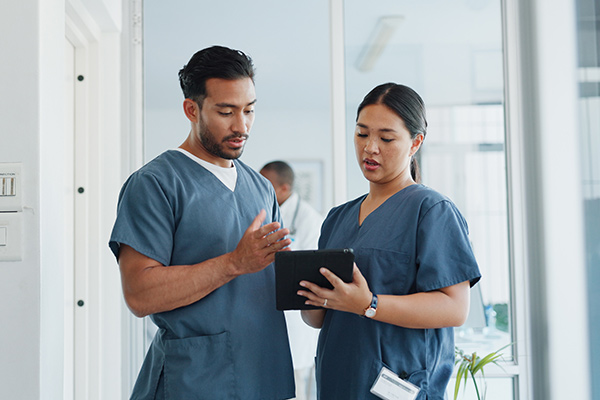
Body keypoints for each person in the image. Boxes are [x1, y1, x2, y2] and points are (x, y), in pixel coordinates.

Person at [109, 45, 295, 400]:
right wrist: (233, 263)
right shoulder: (155, 184)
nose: (241, 126)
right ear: (191, 109)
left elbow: (269, 279)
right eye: (226, 112)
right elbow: (139, 294)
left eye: (249, 111)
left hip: (264, 374)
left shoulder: (260, 187)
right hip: (196, 381)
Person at [299, 83, 481, 400]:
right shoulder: (337, 218)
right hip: (338, 382)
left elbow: (455, 308)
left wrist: (369, 305)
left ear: (415, 143)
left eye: (386, 138)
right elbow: (317, 318)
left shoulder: (432, 211)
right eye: (361, 134)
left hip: (397, 386)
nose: (370, 148)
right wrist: (307, 293)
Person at [260, 161, 323, 400]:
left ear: (284, 188)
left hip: (296, 321)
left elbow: (305, 270)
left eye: (267, 185)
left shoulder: (309, 220)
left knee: (293, 390)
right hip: (266, 314)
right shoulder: (264, 212)